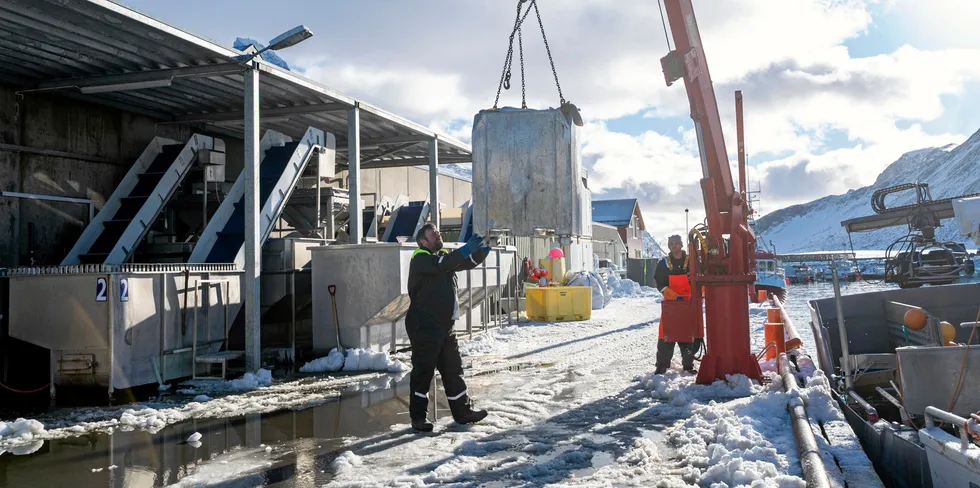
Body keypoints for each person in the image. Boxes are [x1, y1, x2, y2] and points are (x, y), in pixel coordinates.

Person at [407, 224, 492, 432]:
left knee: (453, 369)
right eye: (433, 234)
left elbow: (466, 263)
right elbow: (442, 264)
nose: (438, 235)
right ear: (423, 242)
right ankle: (418, 418)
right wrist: (465, 248)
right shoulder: (421, 258)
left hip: (444, 325)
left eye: (438, 232)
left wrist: (485, 249)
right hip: (424, 325)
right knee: (423, 371)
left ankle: (462, 412)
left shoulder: (443, 258)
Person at [654, 234, 700, 375]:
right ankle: (661, 366)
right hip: (670, 305)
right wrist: (671, 295)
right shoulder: (663, 264)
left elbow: (699, 279)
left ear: (681, 245)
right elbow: (659, 282)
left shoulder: (692, 261)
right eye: (671, 243)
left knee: (688, 335)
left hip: (688, 305)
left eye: (676, 243)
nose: (674, 245)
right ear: (669, 246)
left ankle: (688, 365)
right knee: (665, 335)